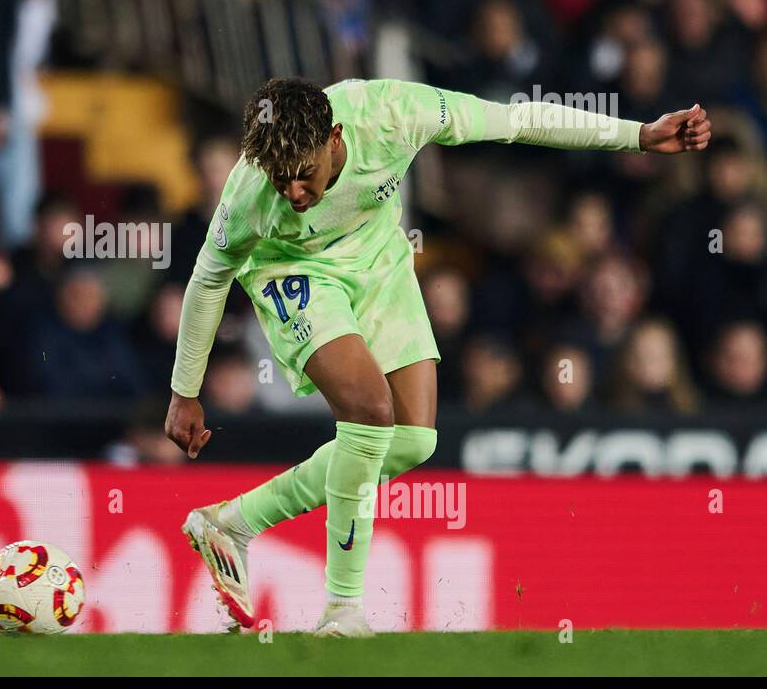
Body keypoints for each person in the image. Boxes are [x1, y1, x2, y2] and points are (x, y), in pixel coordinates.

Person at [165, 76, 711, 636]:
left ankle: (234, 523)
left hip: (380, 262)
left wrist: (638, 136)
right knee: (370, 412)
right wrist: (185, 391)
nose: (293, 194)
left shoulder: (395, 113)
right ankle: (343, 609)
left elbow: (518, 121)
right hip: (294, 273)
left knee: (415, 439)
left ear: (334, 138)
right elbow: (208, 282)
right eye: (281, 182)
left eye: (304, 176)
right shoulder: (249, 194)